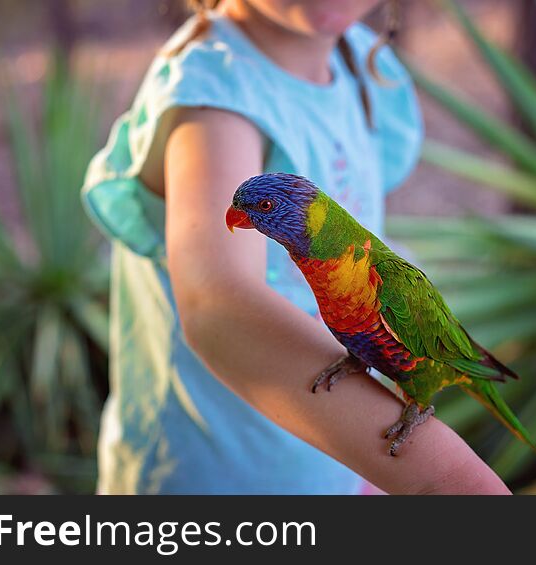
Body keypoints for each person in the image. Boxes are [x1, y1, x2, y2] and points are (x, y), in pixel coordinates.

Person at [81, 0, 510, 494]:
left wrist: (364, 469)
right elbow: (216, 305)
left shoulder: (362, 65)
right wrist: (440, 473)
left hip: (334, 464)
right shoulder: (215, 101)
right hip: (218, 479)